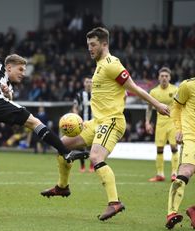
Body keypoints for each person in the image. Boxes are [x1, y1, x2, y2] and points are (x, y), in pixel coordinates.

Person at [40, 27, 170, 221]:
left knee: (95, 157)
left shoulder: (111, 64)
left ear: (104, 44)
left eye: (93, 45)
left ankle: (114, 202)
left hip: (112, 121)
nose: (90, 49)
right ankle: (62, 187)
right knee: (61, 145)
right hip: (97, 121)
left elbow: (133, 87)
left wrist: (158, 104)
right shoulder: (100, 65)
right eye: (88, 45)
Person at [0, 54, 87, 218]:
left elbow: (6, 97)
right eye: (21, 69)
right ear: (9, 67)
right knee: (34, 122)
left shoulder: (7, 84)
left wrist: (8, 93)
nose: (23, 73)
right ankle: (65, 151)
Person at [165, 77, 195, 229]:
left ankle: (194, 211)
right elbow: (175, 107)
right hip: (191, 138)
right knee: (186, 172)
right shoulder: (188, 85)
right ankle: (172, 213)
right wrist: (179, 129)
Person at [145, 67, 179, 182]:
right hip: (160, 124)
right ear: (158, 78)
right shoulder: (154, 92)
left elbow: (181, 106)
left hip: (173, 123)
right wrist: (147, 122)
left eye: (166, 76)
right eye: (162, 76)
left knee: (174, 148)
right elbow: (149, 108)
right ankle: (160, 174)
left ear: (170, 77)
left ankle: (174, 174)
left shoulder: (175, 90)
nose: (164, 78)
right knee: (159, 149)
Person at [72, 77, 94, 173]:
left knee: (94, 146)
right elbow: (75, 107)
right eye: (87, 82)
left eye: (90, 82)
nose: (89, 83)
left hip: (94, 124)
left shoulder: (97, 94)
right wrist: (76, 117)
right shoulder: (80, 94)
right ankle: (82, 166)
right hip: (83, 124)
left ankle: (92, 165)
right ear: (84, 83)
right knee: (81, 146)